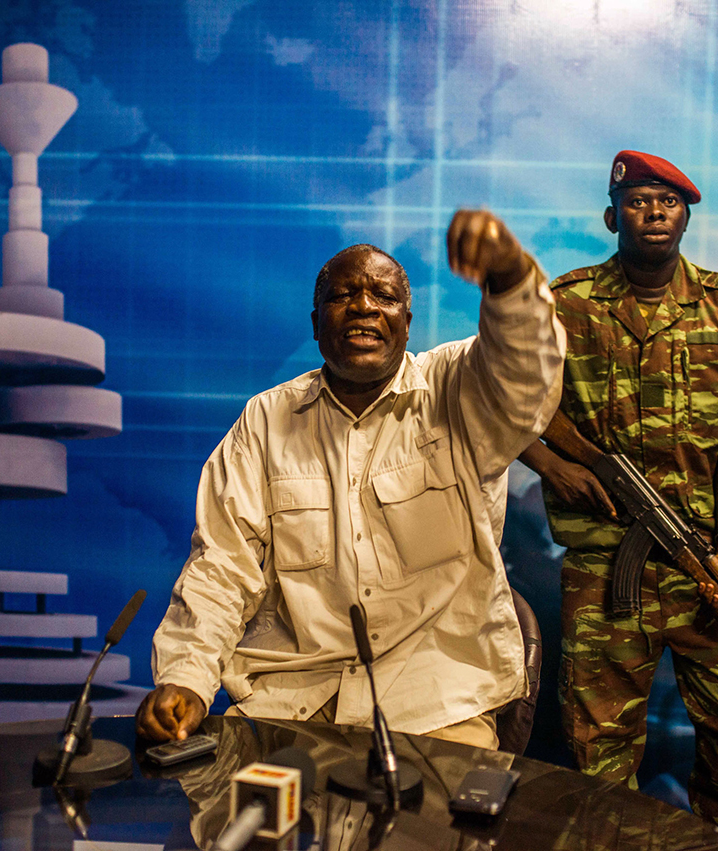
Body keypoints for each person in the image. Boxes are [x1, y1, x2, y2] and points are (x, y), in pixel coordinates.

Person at [136, 210, 565, 751]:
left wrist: (508, 277)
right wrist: (187, 679)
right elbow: (221, 569)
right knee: (234, 828)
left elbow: (526, 372)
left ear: (407, 323)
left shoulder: (459, 392)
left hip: (435, 706)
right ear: (316, 324)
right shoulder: (265, 423)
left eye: (383, 297)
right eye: (344, 295)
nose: (364, 305)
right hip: (293, 706)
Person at [517, 151, 718, 833]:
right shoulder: (564, 303)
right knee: (598, 757)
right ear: (612, 216)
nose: (654, 211)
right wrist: (554, 463)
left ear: (686, 216)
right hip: (606, 568)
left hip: (703, 562)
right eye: (638, 200)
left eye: (668, 201)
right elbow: (506, 404)